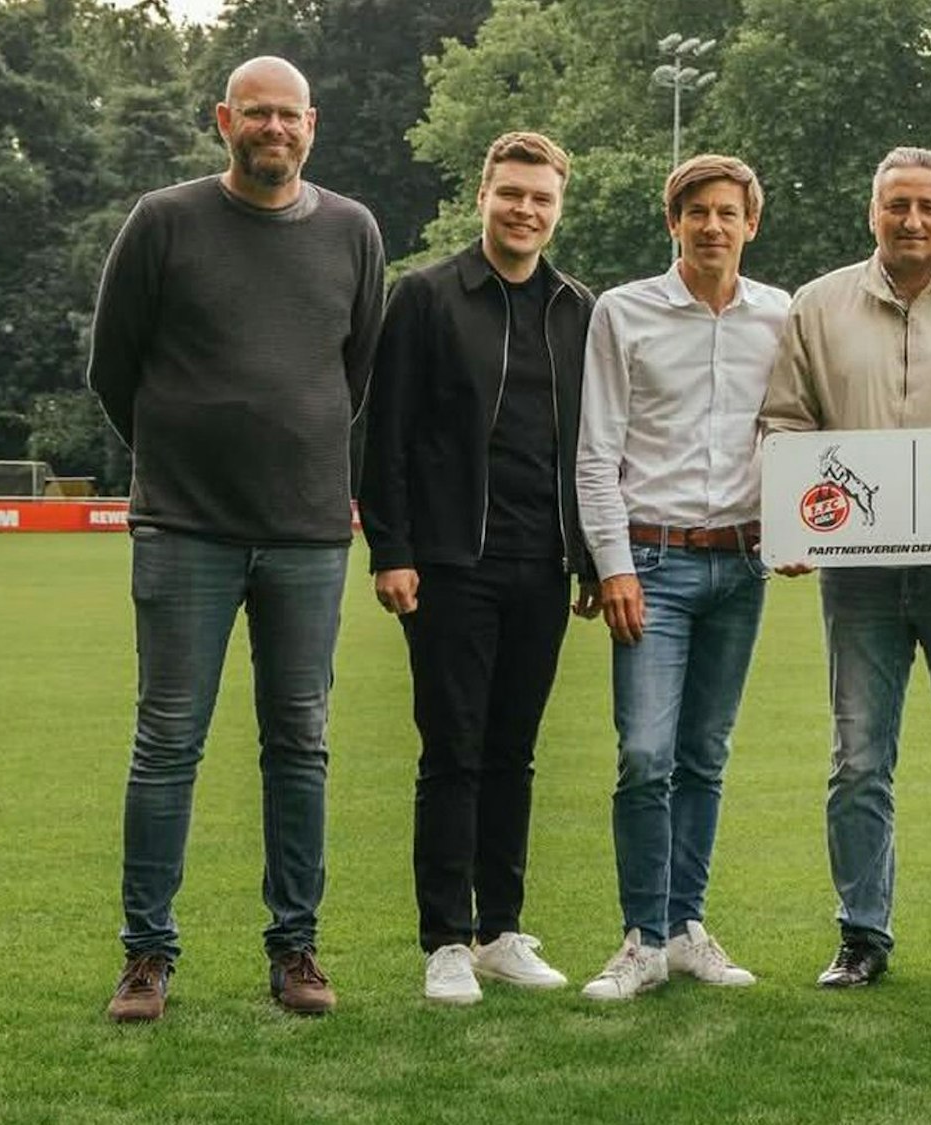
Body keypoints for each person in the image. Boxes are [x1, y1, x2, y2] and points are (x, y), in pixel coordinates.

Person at [87, 56, 384, 1021]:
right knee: (167, 742)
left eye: (288, 114)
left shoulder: (352, 231)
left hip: (305, 535)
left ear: (313, 123)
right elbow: (112, 366)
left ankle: (296, 949)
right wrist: (180, 461)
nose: (273, 127)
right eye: (255, 112)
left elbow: (363, 375)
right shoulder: (163, 221)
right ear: (224, 120)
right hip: (184, 531)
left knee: (300, 744)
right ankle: (146, 956)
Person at [760, 146, 931, 992]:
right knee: (857, 759)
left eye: (927, 205)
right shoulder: (817, 306)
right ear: (872, 213)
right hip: (860, 573)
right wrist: (793, 522)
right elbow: (785, 424)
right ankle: (861, 935)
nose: (912, 220)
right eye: (897, 206)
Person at [359, 131, 595, 1005]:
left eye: (540, 197)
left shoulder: (578, 307)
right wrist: (393, 548)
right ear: (483, 197)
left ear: (557, 207)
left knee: (514, 753)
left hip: (543, 564)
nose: (525, 209)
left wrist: (588, 557)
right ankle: (445, 939)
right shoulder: (424, 297)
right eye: (511, 194)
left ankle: (501, 928)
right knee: (452, 751)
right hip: (451, 563)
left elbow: (590, 445)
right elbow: (384, 433)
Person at [573, 154, 788, 1000]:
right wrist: (613, 563)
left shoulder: (781, 314)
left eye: (727, 212)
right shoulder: (623, 313)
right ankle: (641, 937)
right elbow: (597, 452)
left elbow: (800, 432)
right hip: (651, 563)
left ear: (750, 223)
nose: (712, 225)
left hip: (743, 562)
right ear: (674, 222)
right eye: (696, 210)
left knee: (704, 753)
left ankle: (688, 925)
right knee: (645, 754)